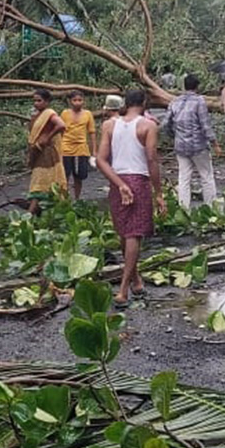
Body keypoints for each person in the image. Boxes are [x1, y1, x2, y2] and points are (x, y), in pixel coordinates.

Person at [96, 88, 165, 306]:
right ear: (144, 103)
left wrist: (119, 184)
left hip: (116, 180)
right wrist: (159, 193)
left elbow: (100, 160)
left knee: (124, 233)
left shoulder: (109, 125)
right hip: (138, 180)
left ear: (125, 103)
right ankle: (123, 290)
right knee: (134, 234)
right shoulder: (148, 125)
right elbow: (152, 159)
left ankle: (136, 282)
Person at [160, 74, 219, 211]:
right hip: (199, 146)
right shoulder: (199, 101)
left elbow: (165, 124)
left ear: (184, 86)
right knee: (206, 176)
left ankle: (183, 209)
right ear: (197, 87)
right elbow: (205, 125)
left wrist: (174, 136)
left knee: (184, 178)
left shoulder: (174, 101)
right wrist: (214, 143)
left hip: (181, 146)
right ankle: (211, 208)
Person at [27, 89, 66, 209]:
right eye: (34, 101)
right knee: (42, 181)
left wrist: (48, 137)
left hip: (47, 153)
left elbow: (61, 125)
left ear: (47, 101)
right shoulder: (37, 115)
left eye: (39, 101)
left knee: (39, 181)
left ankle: (29, 213)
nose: (36, 103)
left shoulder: (49, 114)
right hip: (39, 151)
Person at [60, 91, 96, 202]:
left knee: (79, 176)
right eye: (75, 100)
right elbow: (60, 131)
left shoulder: (87, 114)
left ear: (83, 101)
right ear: (70, 101)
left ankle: (77, 199)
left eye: (80, 100)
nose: (77, 103)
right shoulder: (65, 113)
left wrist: (94, 150)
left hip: (81, 149)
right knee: (65, 175)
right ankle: (64, 200)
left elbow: (92, 132)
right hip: (66, 148)